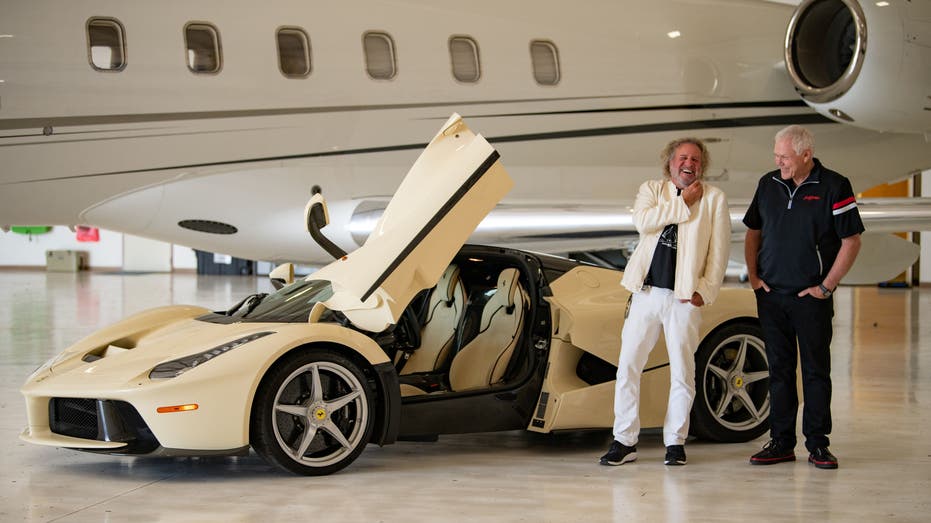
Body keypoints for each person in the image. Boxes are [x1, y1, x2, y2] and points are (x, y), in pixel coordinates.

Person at [600, 138, 731, 467]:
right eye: (683, 158)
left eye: (696, 159)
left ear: (702, 166)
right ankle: (624, 440)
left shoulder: (715, 199)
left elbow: (719, 252)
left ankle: (675, 442)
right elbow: (643, 222)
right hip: (645, 293)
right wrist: (684, 202)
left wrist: (707, 290)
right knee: (628, 366)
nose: (690, 163)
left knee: (683, 372)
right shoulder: (651, 189)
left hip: (684, 298)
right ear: (670, 163)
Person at [743, 125, 863, 470]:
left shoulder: (835, 186)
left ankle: (818, 444)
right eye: (777, 156)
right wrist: (753, 276)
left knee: (815, 372)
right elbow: (754, 231)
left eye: (784, 156)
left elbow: (851, 240)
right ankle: (781, 442)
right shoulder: (769, 184)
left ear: (806, 154)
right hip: (771, 296)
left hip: (811, 299)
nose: (778, 162)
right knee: (779, 371)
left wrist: (826, 286)